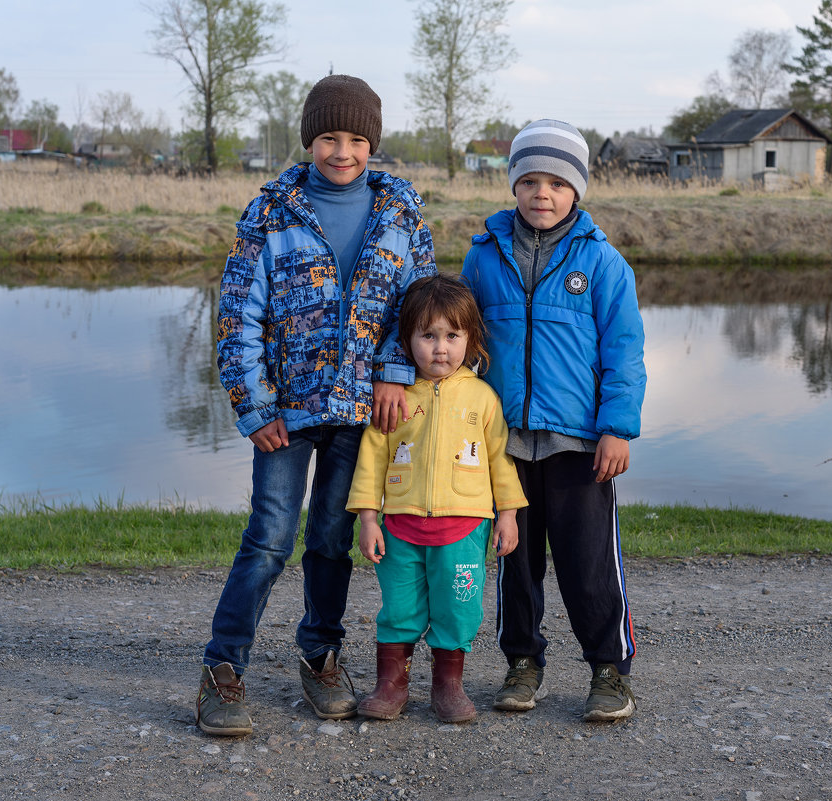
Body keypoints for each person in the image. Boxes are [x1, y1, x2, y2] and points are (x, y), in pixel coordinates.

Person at [197, 74, 437, 737]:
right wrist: (253, 405)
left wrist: (394, 372)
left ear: (372, 144)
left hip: (364, 413)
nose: (343, 151)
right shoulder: (271, 211)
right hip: (285, 414)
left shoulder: (402, 214)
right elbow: (239, 314)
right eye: (330, 137)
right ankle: (222, 667)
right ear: (310, 140)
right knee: (271, 537)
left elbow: (418, 307)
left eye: (357, 139)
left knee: (333, 539)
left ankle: (321, 655)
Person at [460, 119, 646, 722]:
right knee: (515, 559)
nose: (543, 194)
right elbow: (463, 344)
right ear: (513, 184)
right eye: (531, 180)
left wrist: (616, 427)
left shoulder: (602, 261)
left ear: (577, 190)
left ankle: (609, 667)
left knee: (587, 560)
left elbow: (624, 351)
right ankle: (522, 661)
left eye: (558, 183)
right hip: (504, 442)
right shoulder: (484, 256)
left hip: (578, 442)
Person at [346, 274, 527, 724]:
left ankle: (448, 686)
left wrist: (508, 514)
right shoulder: (394, 397)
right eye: (427, 336)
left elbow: (501, 461)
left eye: (452, 336)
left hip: (464, 528)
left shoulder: (483, 399)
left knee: (458, 608)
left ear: (471, 338)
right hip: (401, 527)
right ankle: (391, 684)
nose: (440, 348)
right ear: (406, 339)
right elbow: (372, 459)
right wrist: (369, 519)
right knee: (400, 609)